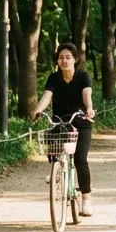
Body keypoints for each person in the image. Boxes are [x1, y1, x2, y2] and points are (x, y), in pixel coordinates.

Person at [32, 42, 95, 217]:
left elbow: (86, 95)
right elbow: (47, 95)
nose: (64, 60)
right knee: (52, 145)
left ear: (75, 59)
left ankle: (86, 198)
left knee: (80, 159)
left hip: (81, 122)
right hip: (60, 122)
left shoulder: (83, 76)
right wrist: (39, 110)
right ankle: (57, 170)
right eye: (61, 57)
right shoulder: (53, 78)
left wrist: (89, 108)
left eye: (68, 57)